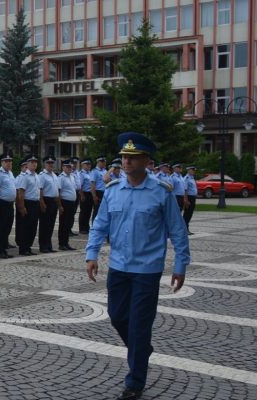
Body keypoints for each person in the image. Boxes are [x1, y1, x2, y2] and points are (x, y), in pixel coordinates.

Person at [85, 132, 190, 400]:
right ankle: (141, 349)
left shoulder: (161, 192)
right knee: (117, 316)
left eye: (132, 158)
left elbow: (177, 230)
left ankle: (135, 381)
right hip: (119, 266)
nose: (126, 162)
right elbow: (100, 225)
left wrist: (180, 264)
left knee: (139, 326)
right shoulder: (113, 190)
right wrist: (92, 254)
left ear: (146, 160)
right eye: (124, 157)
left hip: (147, 269)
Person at [15, 156, 40, 256]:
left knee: (33, 227)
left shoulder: (36, 176)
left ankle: (28, 247)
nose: (34, 164)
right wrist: (22, 207)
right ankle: (23, 248)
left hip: (35, 203)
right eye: (31, 162)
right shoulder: (25, 176)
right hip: (28, 203)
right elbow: (21, 193)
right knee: (25, 227)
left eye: (35, 162)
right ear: (27, 164)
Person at [0, 154, 16, 259]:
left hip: (10, 204)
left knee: (7, 228)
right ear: (1, 162)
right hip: (2, 203)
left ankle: (4, 249)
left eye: (10, 161)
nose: (9, 163)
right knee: (0, 228)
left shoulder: (10, 173)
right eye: (6, 161)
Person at [37, 156, 61, 253]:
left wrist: (58, 204)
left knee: (51, 225)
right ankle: (43, 246)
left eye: (52, 163)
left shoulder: (54, 175)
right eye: (48, 163)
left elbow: (57, 190)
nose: (51, 164)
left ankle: (49, 245)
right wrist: (42, 203)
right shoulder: (42, 175)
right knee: (44, 225)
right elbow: (40, 190)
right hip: (46, 200)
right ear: (44, 164)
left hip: (53, 201)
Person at [57, 160, 78, 251]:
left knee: (68, 224)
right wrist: (60, 205)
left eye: (70, 167)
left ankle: (66, 243)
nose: (69, 168)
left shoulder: (72, 176)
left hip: (71, 203)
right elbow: (58, 192)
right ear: (63, 167)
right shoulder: (61, 177)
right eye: (67, 167)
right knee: (63, 224)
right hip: (64, 202)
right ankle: (62, 244)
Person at [182, 166, 198, 234]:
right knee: (187, 214)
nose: (194, 171)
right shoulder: (186, 178)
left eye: (194, 170)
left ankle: (186, 228)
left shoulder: (192, 178)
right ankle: (184, 229)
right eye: (192, 170)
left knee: (190, 214)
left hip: (193, 197)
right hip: (189, 197)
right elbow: (185, 190)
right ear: (188, 170)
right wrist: (186, 200)